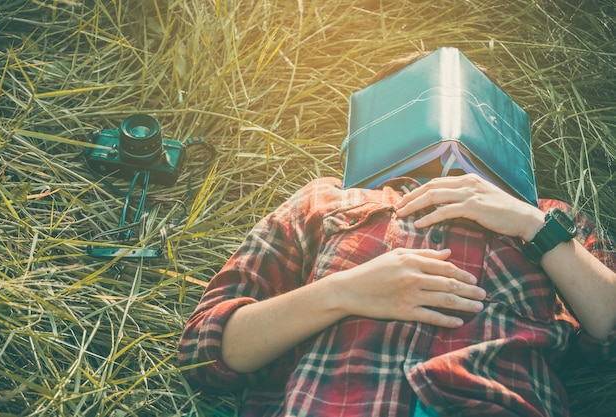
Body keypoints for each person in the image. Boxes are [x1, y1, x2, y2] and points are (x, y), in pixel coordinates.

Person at [178, 52, 616, 417]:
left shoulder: (549, 217)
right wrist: (344, 292)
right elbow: (205, 352)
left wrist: (531, 226)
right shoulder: (326, 198)